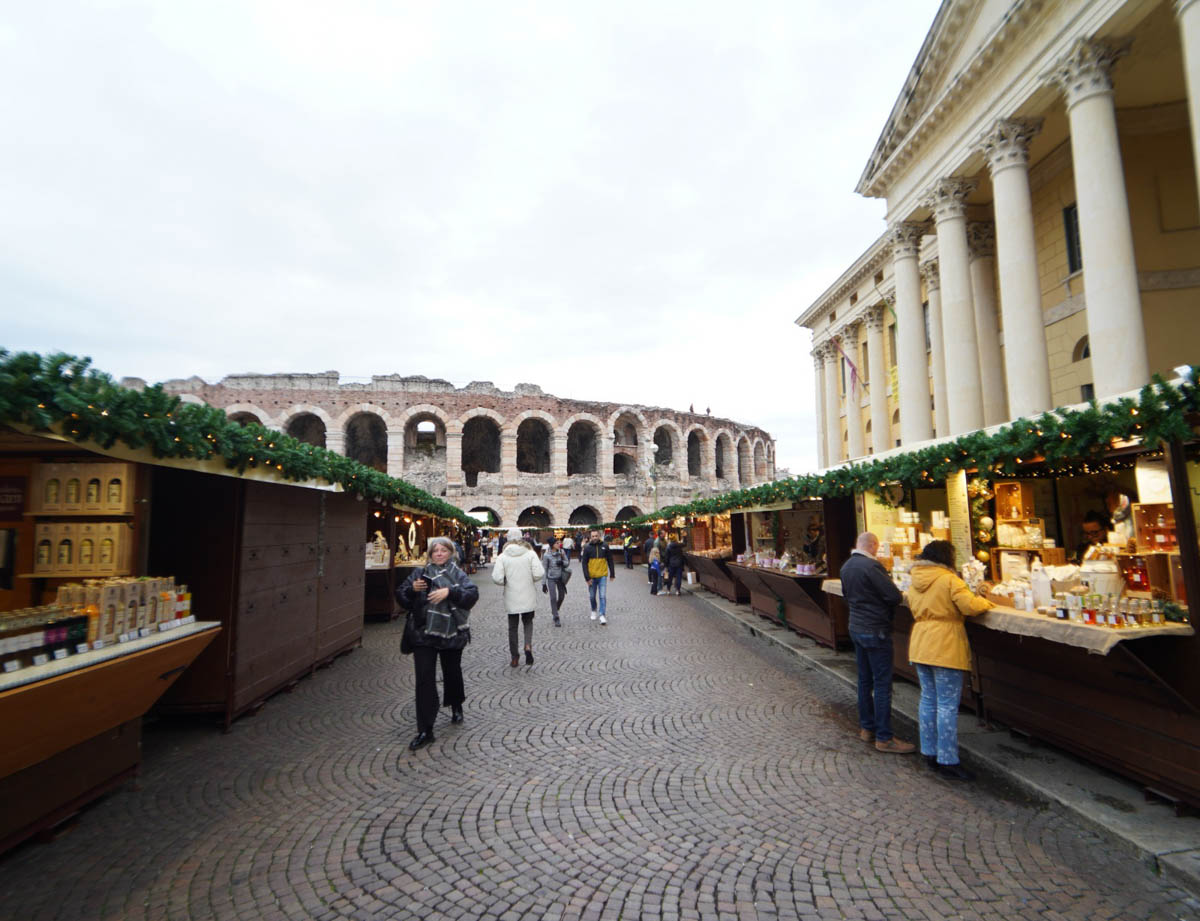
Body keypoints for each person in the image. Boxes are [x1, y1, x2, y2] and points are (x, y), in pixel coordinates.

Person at [905, 540, 994, 780]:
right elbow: (970, 606)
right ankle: (947, 759)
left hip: (920, 644)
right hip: (945, 645)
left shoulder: (914, 580)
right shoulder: (949, 580)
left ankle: (929, 751)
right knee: (946, 705)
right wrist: (986, 599)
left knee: (928, 700)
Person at [397, 536, 480, 751]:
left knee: (452, 672)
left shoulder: (458, 574)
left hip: (451, 631)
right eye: (435, 551)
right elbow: (401, 596)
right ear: (430, 554)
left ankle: (456, 704)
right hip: (423, 632)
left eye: (443, 550)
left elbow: (472, 596)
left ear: (451, 553)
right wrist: (412, 590)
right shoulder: (420, 573)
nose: (439, 554)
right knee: (424, 679)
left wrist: (450, 592)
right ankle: (425, 729)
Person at [840, 532, 914, 754]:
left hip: (856, 627)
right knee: (882, 684)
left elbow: (846, 596)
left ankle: (867, 728)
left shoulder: (846, 566)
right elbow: (894, 596)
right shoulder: (872, 567)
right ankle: (884, 737)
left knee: (864, 680)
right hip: (875, 629)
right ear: (872, 546)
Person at [492, 527, 545, 667]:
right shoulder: (530, 553)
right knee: (528, 622)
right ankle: (527, 645)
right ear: (522, 538)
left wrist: (505, 581)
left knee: (512, 627)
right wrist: (530, 579)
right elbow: (539, 573)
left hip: (511, 595)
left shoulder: (503, 556)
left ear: (508, 539)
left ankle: (514, 656)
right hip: (528, 593)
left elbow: (497, 578)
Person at [581, 529, 615, 624]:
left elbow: (610, 560)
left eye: (596, 536)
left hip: (602, 575)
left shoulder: (605, 546)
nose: (595, 537)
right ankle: (593, 609)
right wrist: (587, 577)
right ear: (590, 537)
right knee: (592, 596)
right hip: (591, 576)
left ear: (599, 536)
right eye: (593, 536)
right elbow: (584, 563)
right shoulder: (587, 547)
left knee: (602, 596)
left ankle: (602, 615)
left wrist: (612, 573)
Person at [542, 537, 571, 627]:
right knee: (553, 598)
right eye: (557, 543)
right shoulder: (546, 555)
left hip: (560, 578)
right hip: (551, 578)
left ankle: (555, 609)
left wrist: (562, 562)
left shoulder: (561, 552)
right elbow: (544, 569)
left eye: (559, 543)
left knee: (562, 596)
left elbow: (567, 562)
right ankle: (556, 617)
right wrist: (543, 583)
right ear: (552, 545)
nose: (559, 544)